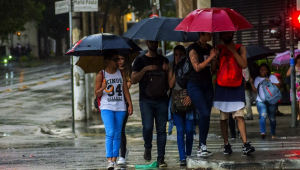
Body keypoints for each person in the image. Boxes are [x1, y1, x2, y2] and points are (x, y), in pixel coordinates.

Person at [214, 31, 255, 155]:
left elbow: (243, 65)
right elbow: (213, 69)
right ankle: (226, 144)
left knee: (239, 116)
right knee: (223, 118)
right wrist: (213, 57)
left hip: (236, 85)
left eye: (229, 33)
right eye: (224, 33)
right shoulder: (218, 49)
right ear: (220, 35)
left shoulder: (240, 48)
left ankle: (245, 144)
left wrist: (233, 51)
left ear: (233, 34)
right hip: (222, 86)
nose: (227, 35)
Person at [131, 40, 169, 167]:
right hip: (146, 100)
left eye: (156, 41)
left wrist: (167, 71)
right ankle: (147, 147)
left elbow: (170, 84)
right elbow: (133, 80)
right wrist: (145, 69)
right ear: (147, 42)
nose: (154, 43)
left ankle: (161, 158)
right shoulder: (140, 61)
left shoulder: (163, 60)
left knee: (161, 130)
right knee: (147, 127)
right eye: (151, 41)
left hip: (162, 100)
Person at [95, 50, 133, 170]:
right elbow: (96, 93)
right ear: (107, 61)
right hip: (107, 107)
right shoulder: (101, 74)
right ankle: (109, 160)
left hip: (120, 107)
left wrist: (130, 105)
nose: (118, 61)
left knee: (117, 134)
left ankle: (114, 160)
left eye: (118, 59)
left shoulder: (121, 73)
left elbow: (125, 90)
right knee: (110, 133)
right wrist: (102, 87)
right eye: (115, 59)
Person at [187, 32, 218, 157]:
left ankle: (202, 145)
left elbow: (213, 70)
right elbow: (197, 68)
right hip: (195, 85)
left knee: (206, 115)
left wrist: (215, 58)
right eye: (208, 33)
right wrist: (210, 58)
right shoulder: (192, 48)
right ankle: (201, 147)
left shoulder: (210, 48)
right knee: (204, 112)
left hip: (207, 85)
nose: (211, 35)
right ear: (201, 34)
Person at [168, 45, 195, 166]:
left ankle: (188, 154)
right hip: (177, 104)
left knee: (189, 130)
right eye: (176, 55)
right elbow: (170, 85)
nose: (178, 57)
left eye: (180, 54)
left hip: (189, 103)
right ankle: (182, 157)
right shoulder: (171, 67)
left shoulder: (190, 67)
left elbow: (194, 83)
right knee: (180, 130)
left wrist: (190, 97)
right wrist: (175, 68)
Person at [250, 63, 279, 139]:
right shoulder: (257, 79)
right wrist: (251, 83)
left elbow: (279, 85)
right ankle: (262, 133)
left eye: (264, 70)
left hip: (271, 101)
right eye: (261, 70)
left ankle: (273, 134)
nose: (262, 71)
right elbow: (255, 90)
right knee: (263, 115)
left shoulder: (272, 77)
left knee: (272, 118)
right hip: (261, 101)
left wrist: (270, 82)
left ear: (267, 70)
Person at [117, 54, 132, 165]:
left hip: (123, 103)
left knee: (121, 129)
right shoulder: (111, 71)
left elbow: (127, 87)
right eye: (118, 59)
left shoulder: (127, 72)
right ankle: (119, 152)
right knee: (114, 130)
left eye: (122, 59)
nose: (120, 61)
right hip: (112, 104)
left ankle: (122, 154)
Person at [286, 54, 300, 121]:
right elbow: (287, 75)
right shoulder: (293, 67)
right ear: (297, 59)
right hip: (294, 86)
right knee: (296, 103)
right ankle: (298, 114)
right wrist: (292, 68)